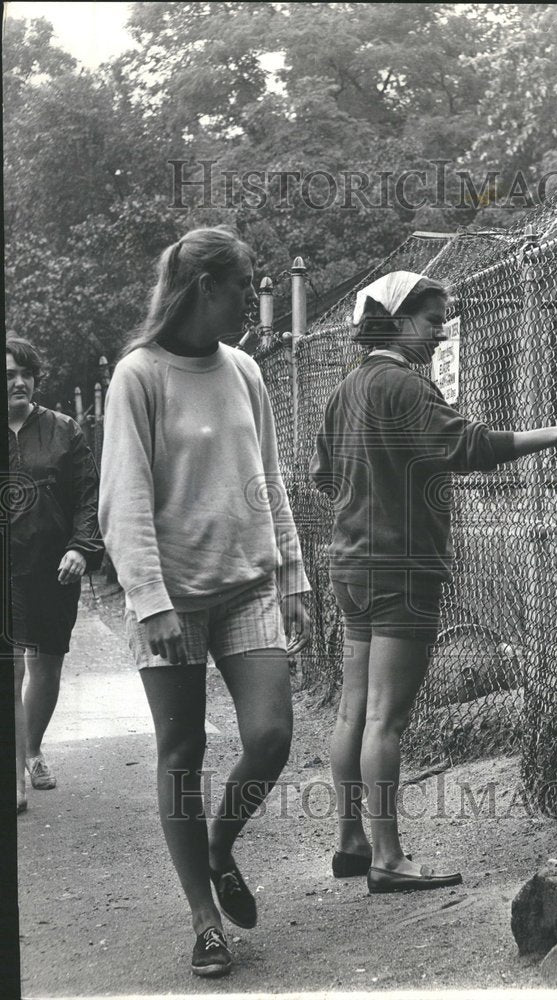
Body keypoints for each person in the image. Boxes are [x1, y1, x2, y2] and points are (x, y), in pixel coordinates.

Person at [310, 271, 557, 893]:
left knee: (352, 709)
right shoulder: (405, 385)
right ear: (395, 321)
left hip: (351, 564)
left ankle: (351, 841)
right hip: (402, 567)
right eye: (431, 321)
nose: (441, 334)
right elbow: (469, 447)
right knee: (386, 719)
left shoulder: (345, 389)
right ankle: (389, 861)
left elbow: (323, 474)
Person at [98, 227, 311, 978]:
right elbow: (124, 495)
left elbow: (270, 478)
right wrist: (149, 598)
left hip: (248, 583)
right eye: (242, 285)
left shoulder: (246, 370)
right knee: (182, 752)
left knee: (271, 734)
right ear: (202, 289)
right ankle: (203, 918)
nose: (252, 301)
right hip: (172, 598)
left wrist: (293, 574)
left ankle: (221, 843)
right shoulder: (139, 375)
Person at [7, 338, 104, 815]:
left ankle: (31, 749)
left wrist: (81, 548)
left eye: (25, 373)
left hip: (55, 567)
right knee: (11, 667)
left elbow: (89, 497)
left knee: (46, 666)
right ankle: (14, 780)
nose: (18, 382)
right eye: (8, 375)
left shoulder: (65, 430)